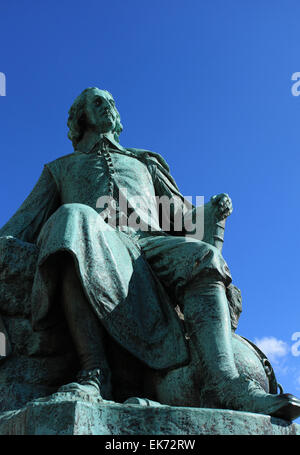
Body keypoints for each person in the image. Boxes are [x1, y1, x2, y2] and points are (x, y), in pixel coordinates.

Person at [1, 87, 299, 420]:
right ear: (81, 117)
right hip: (98, 242)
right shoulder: (60, 169)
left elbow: (182, 218)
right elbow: (21, 223)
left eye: (112, 102)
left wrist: (211, 212)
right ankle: (94, 372)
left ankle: (224, 382)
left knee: (203, 255)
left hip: (149, 244)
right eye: (98, 102)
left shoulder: (144, 162)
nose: (108, 107)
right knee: (72, 220)